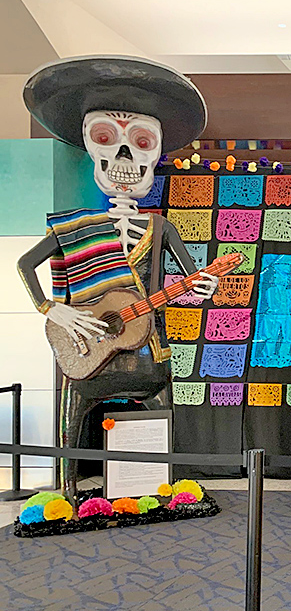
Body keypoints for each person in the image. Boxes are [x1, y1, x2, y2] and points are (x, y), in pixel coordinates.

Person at [17, 57, 218, 501]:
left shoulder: (161, 228)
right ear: (90, 146)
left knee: (160, 412)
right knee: (73, 414)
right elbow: (25, 265)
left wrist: (205, 289)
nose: (125, 157)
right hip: (90, 350)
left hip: (149, 351)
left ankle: (162, 488)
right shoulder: (73, 227)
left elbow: (194, 285)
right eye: (106, 139)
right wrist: (54, 309)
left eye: (142, 142)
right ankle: (66, 490)